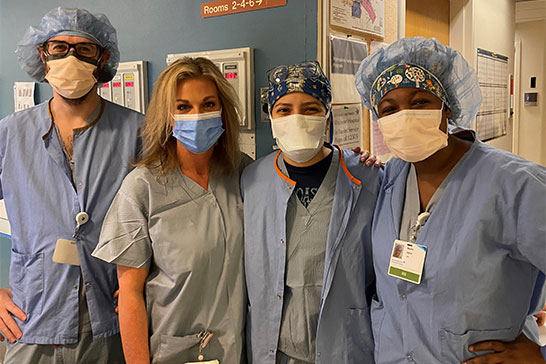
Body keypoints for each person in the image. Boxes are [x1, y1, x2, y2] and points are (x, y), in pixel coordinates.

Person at [355, 36, 546, 364]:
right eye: (389, 109)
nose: (405, 116)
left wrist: (541, 354)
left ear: (447, 105)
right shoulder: (390, 179)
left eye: (419, 102)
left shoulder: (516, 185)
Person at [0, 7, 143, 363]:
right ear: (42, 55)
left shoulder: (137, 133)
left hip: (110, 321)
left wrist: (141, 286)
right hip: (32, 317)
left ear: (103, 58)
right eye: (59, 48)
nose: (70, 58)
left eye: (85, 49)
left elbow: (162, 221)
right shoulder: (10, 134)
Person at [92, 57, 249, 364]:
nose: (197, 115)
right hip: (173, 350)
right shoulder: (142, 187)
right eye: (183, 107)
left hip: (239, 347)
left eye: (207, 104)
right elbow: (130, 296)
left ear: (222, 111)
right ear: (167, 116)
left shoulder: (244, 173)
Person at [242, 61, 381, 364]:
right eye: (284, 110)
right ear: (271, 116)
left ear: (327, 114)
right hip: (277, 349)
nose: (298, 119)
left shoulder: (367, 177)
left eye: (311, 108)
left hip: (345, 347)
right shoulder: (252, 180)